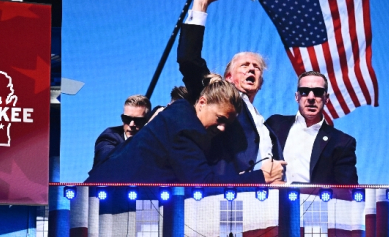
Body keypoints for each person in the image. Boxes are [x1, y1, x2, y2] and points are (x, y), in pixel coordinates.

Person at [85, 75, 285, 184]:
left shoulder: (179, 114)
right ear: (202, 102)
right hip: (106, 205)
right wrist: (260, 177)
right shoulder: (184, 131)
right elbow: (202, 183)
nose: (222, 128)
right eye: (220, 119)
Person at [177, 0, 281, 177]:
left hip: (267, 198)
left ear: (261, 83)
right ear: (228, 78)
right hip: (228, 195)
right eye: (244, 66)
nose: (251, 69)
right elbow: (189, 60)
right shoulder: (217, 97)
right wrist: (200, 6)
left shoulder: (265, 124)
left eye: (256, 67)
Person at [266, 71, 358, 184]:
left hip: (317, 201)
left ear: (326, 98)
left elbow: (347, 191)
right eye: (304, 92)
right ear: (297, 97)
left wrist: (288, 187)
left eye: (318, 92)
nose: (311, 97)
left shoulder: (342, 142)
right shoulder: (275, 124)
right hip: (270, 199)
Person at [91, 95, 151, 167]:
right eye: (127, 119)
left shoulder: (152, 140)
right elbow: (109, 162)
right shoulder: (109, 137)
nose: (131, 124)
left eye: (138, 120)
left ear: (147, 121)